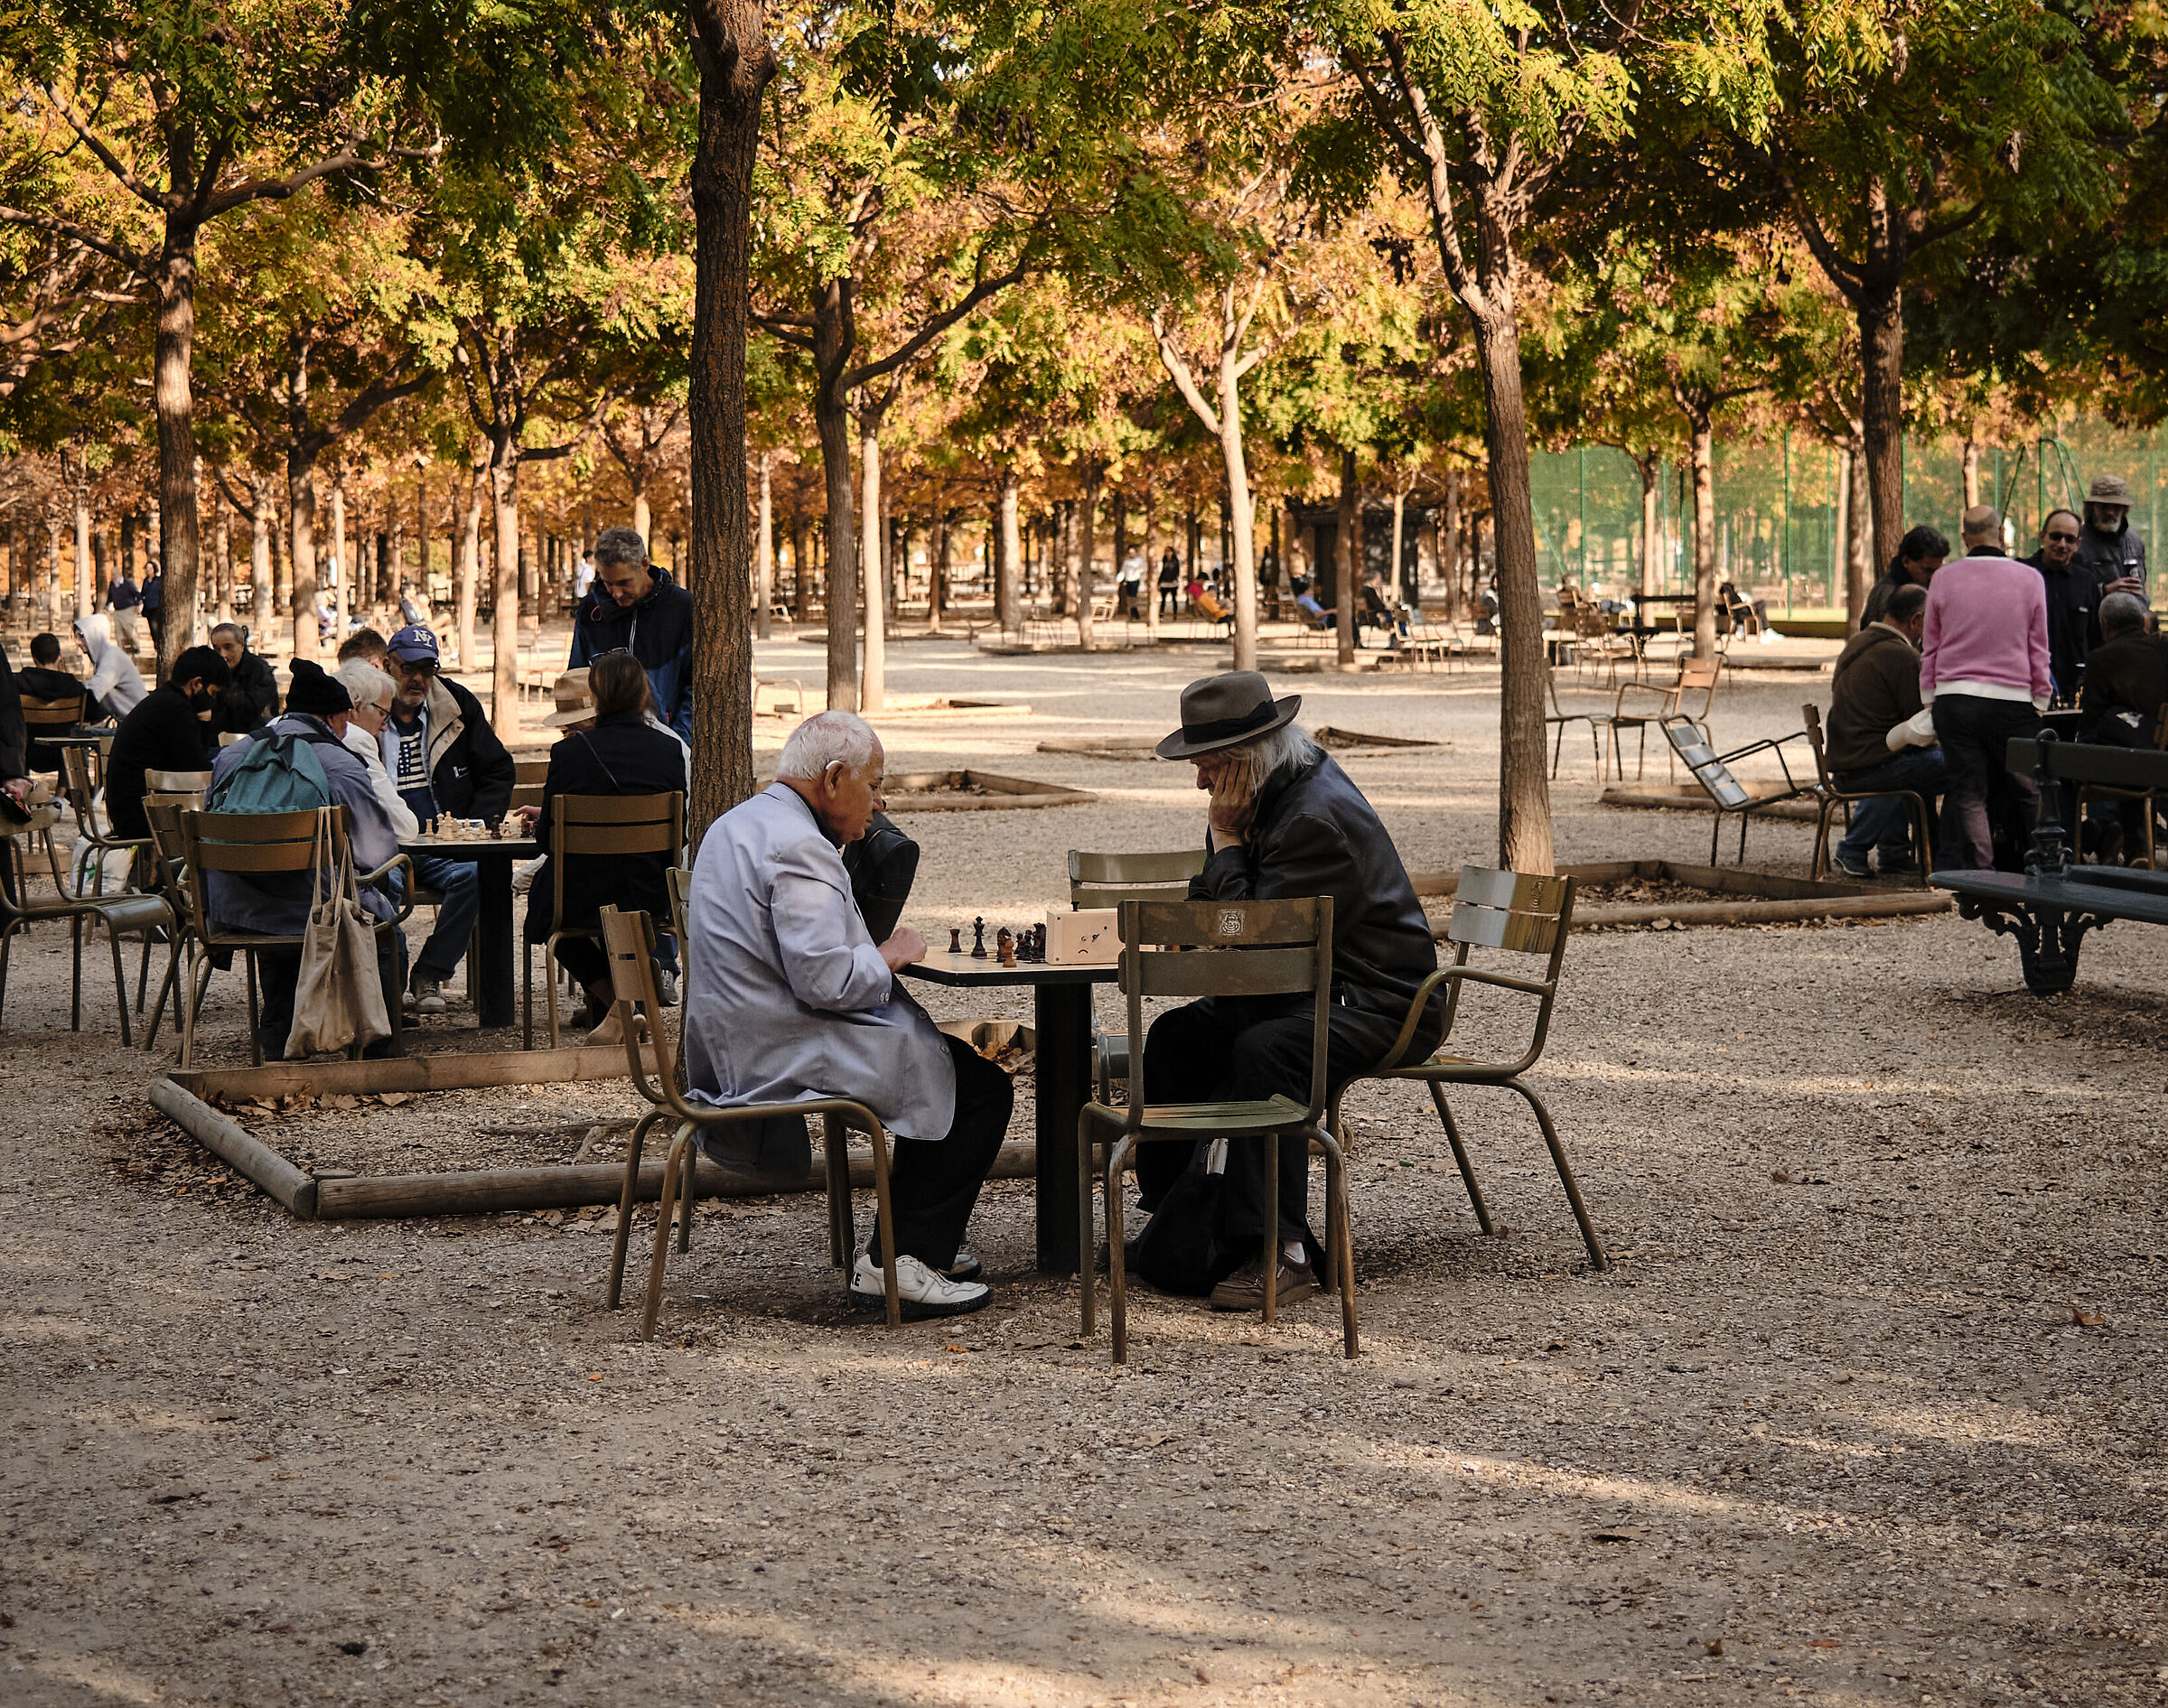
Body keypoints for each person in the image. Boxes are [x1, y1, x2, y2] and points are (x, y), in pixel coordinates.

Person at [685, 710, 1009, 1318]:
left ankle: (918, 1240)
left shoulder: (739, 823)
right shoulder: (799, 844)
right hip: (781, 1043)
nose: (880, 801)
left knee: (946, 1064)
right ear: (834, 777)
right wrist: (890, 956)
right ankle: (899, 1260)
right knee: (979, 1086)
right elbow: (827, 980)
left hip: (744, 1032)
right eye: (874, 783)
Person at [1135, 673, 1442, 1311]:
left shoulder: (1309, 820)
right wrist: (1195, 918)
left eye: (1208, 768)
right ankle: (1179, 1219)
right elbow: (1219, 903)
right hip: (1308, 988)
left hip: (1379, 1000)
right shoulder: (1262, 799)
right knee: (1176, 1037)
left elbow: (1253, 940)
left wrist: (1223, 845)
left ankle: (1281, 1250)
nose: (1200, 783)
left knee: (1265, 1052)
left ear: (1246, 763)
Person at [206, 661, 403, 1060]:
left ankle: (280, 1027)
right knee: (380, 924)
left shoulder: (233, 756)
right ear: (333, 717)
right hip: (314, 911)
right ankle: (379, 1044)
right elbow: (375, 853)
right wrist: (389, 887)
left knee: (274, 908)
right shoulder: (340, 764)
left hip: (236, 909)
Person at [519, 652, 687, 1043]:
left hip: (580, 894)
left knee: (545, 914)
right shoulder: (669, 750)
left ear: (597, 697)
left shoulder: (569, 752)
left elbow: (547, 840)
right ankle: (629, 1005)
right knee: (624, 900)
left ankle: (621, 1004)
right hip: (650, 890)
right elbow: (677, 837)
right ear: (643, 695)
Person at [380, 625, 514, 1014]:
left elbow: (497, 769)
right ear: (389, 665)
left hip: (443, 843)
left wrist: (474, 826)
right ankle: (388, 986)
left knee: (479, 875)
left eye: (428, 669)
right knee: (371, 888)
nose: (418, 679)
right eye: (408, 668)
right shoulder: (367, 705)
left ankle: (430, 972)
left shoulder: (455, 704)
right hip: (385, 847)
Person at [1921, 505, 2051, 871]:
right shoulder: (2030, 579)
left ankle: (1982, 873)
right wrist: (2040, 697)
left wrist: (1930, 696)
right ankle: (2044, 864)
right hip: (2012, 697)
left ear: (1964, 537)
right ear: (2001, 533)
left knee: (1968, 790)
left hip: (1955, 695)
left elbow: (1930, 644)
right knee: (2029, 788)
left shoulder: (1944, 579)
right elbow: (2038, 645)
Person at [1823, 584, 1943, 877]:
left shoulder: (1858, 641)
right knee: (1956, 763)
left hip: (1847, 760)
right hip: (1867, 765)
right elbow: (1921, 722)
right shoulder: (1902, 656)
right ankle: (1855, 848)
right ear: (1915, 620)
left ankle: (1895, 852)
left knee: (1917, 767)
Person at [566, 527, 693, 738]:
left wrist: (678, 739)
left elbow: (696, 683)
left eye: (624, 583)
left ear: (644, 564)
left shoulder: (682, 607)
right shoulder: (591, 610)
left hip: (667, 743)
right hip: (606, 744)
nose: (616, 593)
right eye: (608, 583)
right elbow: (577, 677)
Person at [2075, 591, 2167, 863]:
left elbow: (2091, 720)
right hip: (2161, 761)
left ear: (2104, 624)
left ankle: (2094, 835)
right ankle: (2137, 846)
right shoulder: (2164, 651)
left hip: (2126, 766)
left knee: (2072, 765)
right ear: (2141, 620)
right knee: (2131, 755)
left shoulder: (2101, 659)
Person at [103, 647, 229, 844]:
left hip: (128, 812)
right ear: (197, 684)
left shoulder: (163, 701)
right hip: (142, 818)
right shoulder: (175, 710)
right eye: (213, 694)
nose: (214, 701)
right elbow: (196, 773)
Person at [2021, 509, 2105, 707]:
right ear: (2042, 536)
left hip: (2073, 690)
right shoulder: (2022, 575)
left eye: (2069, 539)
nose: (2062, 545)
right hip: (2028, 687)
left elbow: (2095, 639)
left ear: (2078, 543)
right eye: (2056, 536)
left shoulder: (2086, 582)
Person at [332, 658, 418, 838]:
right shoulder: (357, 741)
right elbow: (405, 828)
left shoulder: (282, 728)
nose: (385, 727)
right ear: (355, 708)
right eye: (383, 714)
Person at [19, 632, 93, 768]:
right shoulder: (74, 687)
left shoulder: (18, 684)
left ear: (34, 658)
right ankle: (62, 788)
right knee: (73, 738)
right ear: (59, 657)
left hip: (25, 754)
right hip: (64, 755)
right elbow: (94, 713)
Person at [2073, 474, 2146, 598]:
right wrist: (2104, 590)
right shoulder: (2076, 541)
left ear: (2124, 510)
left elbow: (2142, 589)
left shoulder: (2134, 541)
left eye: (2116, 507)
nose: (2110, 512)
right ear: (2092, 508)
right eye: (2103, 506)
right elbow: (2070, 591)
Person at [1863, 525, 1948, 626]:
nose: (1933, 577)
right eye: (1927, 570)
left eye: (1937, 571)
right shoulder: (1888, 595)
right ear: (1906, 561)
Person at [209, 623, 280, 737]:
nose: (222, 654)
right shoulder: (212, 669)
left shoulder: (260, 671)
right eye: (217, 649)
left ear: (242, 645)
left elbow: (253, 713)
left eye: (228, 647)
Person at [72, 612, 145, 721]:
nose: (77, 642)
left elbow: (92, 696)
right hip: (130, 721)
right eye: (76, 637)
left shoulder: (111, 658)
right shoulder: (105, 657)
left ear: (95, 635)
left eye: (82, 636)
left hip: (138, 724)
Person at [105, 567, 143, 655]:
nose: (112, 576)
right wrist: (107, 605)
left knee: (130, 629)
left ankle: (136, 646)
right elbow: (110, 597)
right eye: (112, 574)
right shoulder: (112, 584)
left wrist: (137, 604)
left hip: (128, 610)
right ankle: (121, 649)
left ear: (119, 574)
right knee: (118, 632)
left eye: (114, 574)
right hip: (117, 611)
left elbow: (137, 594)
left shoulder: (127, 583)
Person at [140, 568, 163, 653]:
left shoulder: (158, 580)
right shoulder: (145, 581)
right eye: (147, 568)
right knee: (152, 629)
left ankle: (159, 645)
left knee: (155, 627)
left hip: (156, 607)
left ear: (154, 569)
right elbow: (143, 593)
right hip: (148, 607)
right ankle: (156, 645)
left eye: (150, 568)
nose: (148, 570)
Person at [1157, 547, 1181, 618]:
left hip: (1173, 582)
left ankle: (1175, 614)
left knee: (1174, 599)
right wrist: (1159, 582)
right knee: (1163, 600)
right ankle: (1161, 613)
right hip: (1164, 582)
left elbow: (1177, 572)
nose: (1167, 553)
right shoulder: (1164, 560)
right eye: (1166, 551)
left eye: (1169, 551)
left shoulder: (1175, 561)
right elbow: (1162, 571)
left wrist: (1174, 579)